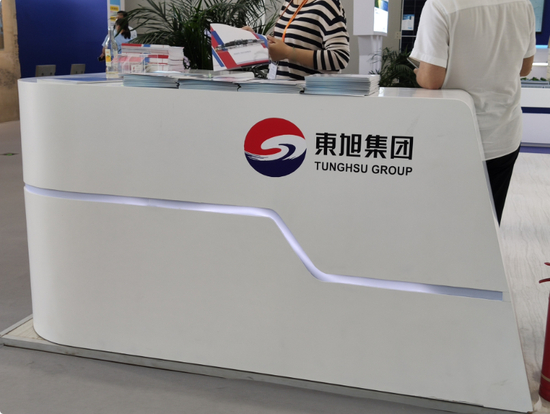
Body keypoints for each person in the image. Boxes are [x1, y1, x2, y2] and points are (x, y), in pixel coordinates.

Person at [410, 0, 536, 224]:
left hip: (454, 139)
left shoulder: (440, 5)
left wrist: (419, 72)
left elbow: (431, 80)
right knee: (488, 224)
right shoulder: (523, 4)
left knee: (444, 224)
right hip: (504, 135)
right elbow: (525, 68)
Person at [244, 0, 350, 80]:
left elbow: (340, 57)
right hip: (281, 93)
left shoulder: (327, 4)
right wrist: (257, 40)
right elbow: (284, 47)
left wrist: (289, 53)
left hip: (307, 96)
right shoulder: (289, 3)